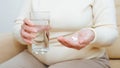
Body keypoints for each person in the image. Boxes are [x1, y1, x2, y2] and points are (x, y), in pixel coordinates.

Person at [0, 0, 118, 68]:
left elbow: (110, 31)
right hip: (35, 56)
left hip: (85, 59)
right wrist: (22, 33)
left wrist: (92, 34)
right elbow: (19, 24)